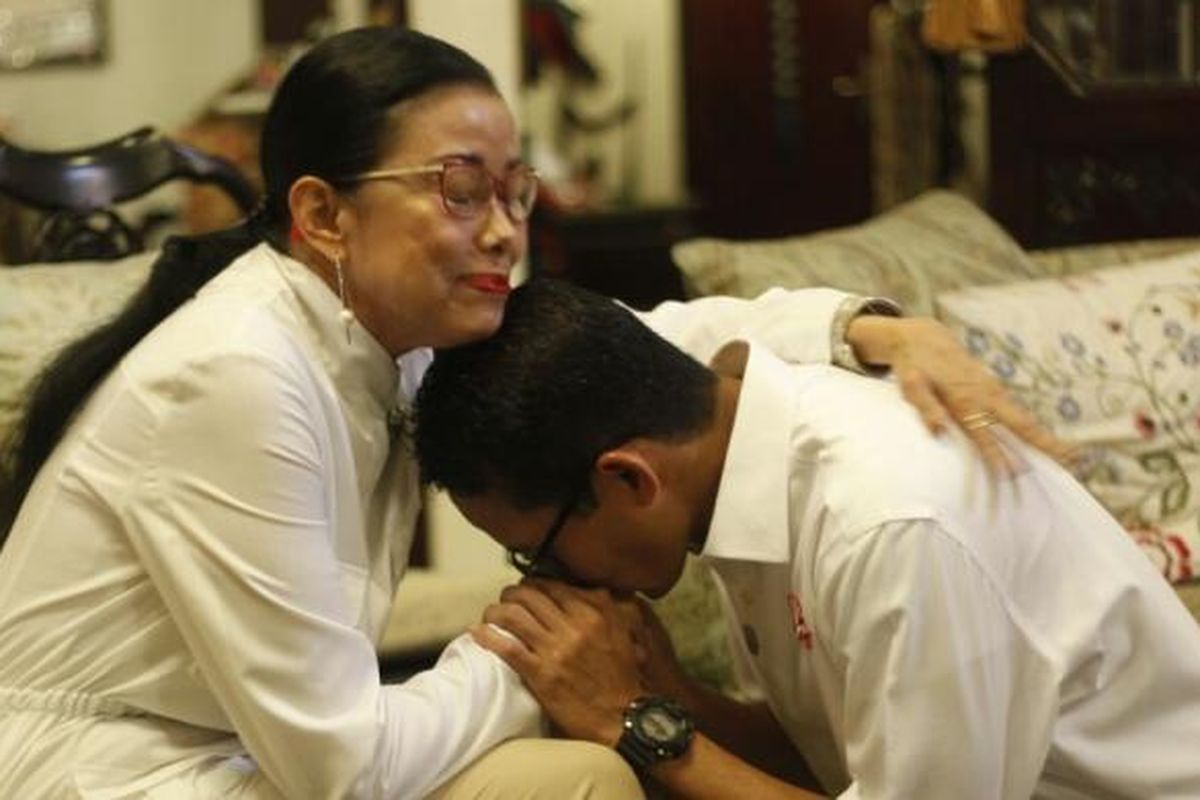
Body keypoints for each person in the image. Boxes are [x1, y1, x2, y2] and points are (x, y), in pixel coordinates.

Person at [0, 25, 1065, 800]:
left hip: (244, 749)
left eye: (516, 190)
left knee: (587, 776)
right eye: (461, 190)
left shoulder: (401, 329)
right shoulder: (239, 372)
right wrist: (536, 648)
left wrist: (870, 328)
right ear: (323, 213)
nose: (507, 228)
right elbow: (344, 767)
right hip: (113, 769)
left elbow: (648, 356)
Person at [415, 278, 1200, 800]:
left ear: (629, 480)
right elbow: (838, 763)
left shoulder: (889, 526)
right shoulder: (734, 456)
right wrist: (676, 699)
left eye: (538, 548)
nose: (544, 576)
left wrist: (641, 727)